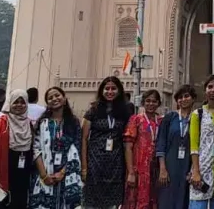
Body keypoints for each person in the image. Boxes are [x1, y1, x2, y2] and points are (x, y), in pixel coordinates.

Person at [30, 86, 83, 209]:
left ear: (64, 99)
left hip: (67, 174)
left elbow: (76, 146)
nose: (54, 99)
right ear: (47, 103)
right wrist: (44, 175)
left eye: (57, 95)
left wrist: (62, 173)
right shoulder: (42, 123)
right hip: (43, 174)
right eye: (50, 98)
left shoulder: (73, 122)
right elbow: (35, 149)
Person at [82, 76, 129, 209]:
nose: (110, 91)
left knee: (112, 204)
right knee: (92, 202)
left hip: (116, 164)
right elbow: (84, 139)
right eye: (106, 88)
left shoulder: (125, 112)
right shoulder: (93, 110)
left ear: (119, 91)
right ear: (101, 91)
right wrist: (84, 168)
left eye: (113, 88)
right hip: (95, 162)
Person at [156, 84, 195, 209]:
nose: (183, 99)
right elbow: (161, 143)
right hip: (170, 165)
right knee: (167, 199)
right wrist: (162, 169)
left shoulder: (196, 118)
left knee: (184, 199)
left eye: (186, 96)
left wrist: (194, 169)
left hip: (187, 166)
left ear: (193, 98)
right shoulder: (170, 118)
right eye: (180, 97)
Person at [190, 74, 214, 209]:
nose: (213, 90)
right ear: (205, 90)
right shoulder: (197, 114)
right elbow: (194, 145)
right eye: (210, 87)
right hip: (202, 169)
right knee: (198, 205)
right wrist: (196, 171)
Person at [125, 89, 163, 209]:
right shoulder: (136, 120)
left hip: (156, 170)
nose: (151, 104)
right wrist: (131, 172)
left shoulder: (162, 121)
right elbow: (128, 147)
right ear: (143, 102)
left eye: (154, 101)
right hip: (139, 170)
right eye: (148, 101)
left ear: (158, 103)